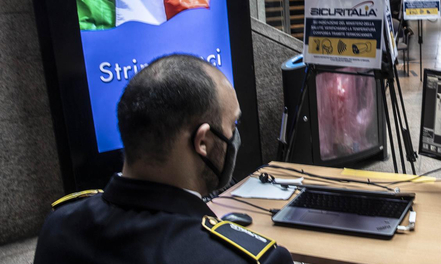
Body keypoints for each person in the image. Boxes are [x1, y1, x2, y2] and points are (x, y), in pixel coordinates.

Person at [33, 55, 293, 264]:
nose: (235, 135)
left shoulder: (59, 225)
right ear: (202, 142)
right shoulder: (246, 258)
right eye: (232, 123)